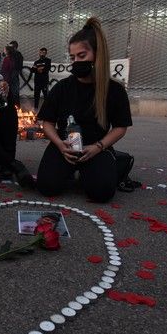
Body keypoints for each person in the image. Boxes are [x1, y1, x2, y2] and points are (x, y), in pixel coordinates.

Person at [36, 17, 133, 203]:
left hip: (97, 147)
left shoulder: (114, 90)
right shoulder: (62, 88)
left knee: (101, 193)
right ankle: (73, 171)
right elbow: (47, 122)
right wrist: (59, 144)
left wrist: (98, 147)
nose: (76, 61)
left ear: (97, 55)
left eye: (82, 56)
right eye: (73, 57)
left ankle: (100, 168)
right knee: (46, 187)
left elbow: (120, 127)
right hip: (65, 145)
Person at [9, 40, 24, 106]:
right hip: (9, 75)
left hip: (14, 75)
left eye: (11, 47)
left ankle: (17, 106)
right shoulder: (10, 54)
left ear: (14, 47)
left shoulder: (18, 54)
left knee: (15, 91)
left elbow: (19, 66)